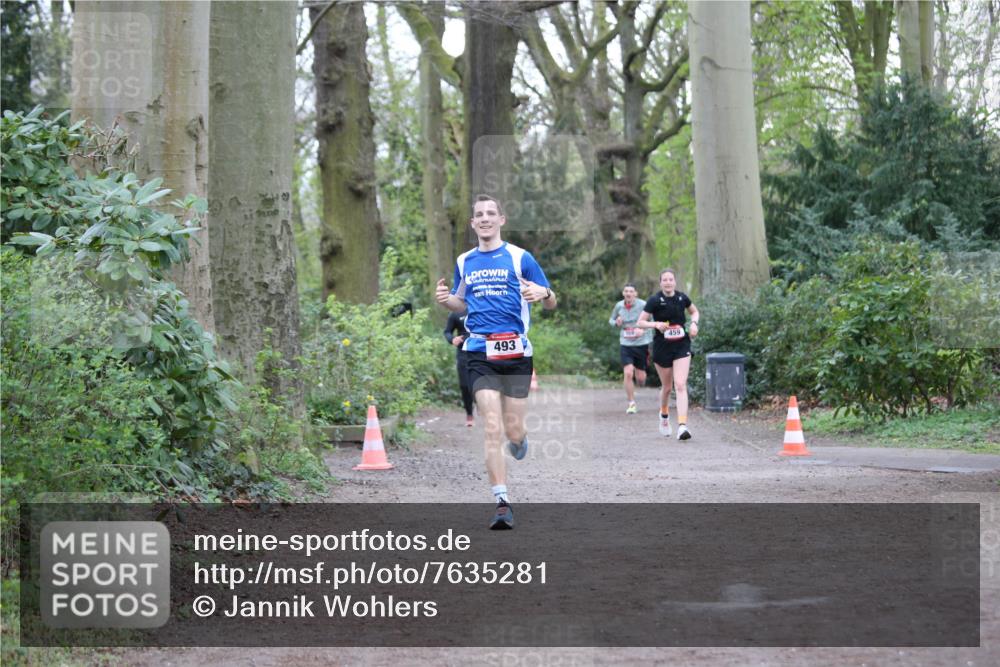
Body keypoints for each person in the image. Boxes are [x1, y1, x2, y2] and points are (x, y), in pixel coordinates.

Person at [435, 194, 556, 530]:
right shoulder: (464, 261)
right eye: (479, 214)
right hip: (479, 352)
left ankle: (519, 440)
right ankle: (502, 502)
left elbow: (551, 300)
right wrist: (447, 301)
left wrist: (543, 294)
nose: (485, 218)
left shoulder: (520, 257)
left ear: (501, 219)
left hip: (516, 353)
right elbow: (462, 303)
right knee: (491, 425)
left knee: (513, 430)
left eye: (491, 213)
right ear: (473, 223)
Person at [636, 269, 700, 440]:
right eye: (664, 280)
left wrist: (694, 324)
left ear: (675, 282)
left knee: (680, 384)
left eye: (671, 279)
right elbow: (640, 322)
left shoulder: (682, 298)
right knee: (667, 388)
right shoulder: (654, 300)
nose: (668, 282)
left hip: (682, 345)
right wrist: (656, 324)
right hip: (662, 347)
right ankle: (664, 415)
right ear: (660, 283)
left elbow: (694, 312)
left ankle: (682, 426)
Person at [609, 283, 653, 414]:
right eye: (626, 291)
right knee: (628, 373)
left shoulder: (643, 305)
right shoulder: (619, 306)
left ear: (635, 294)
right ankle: (631, 403)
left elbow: (653, 322)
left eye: (631, 291)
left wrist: (642, 330)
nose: (628, 293)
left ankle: (640, 382)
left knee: (640, 378)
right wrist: (616, 323)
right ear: (623, 293)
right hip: (625, 343)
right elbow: (611, 320)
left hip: (641, 343)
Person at [443, 308, 475, 427]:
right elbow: (447, 332)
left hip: (482, 352)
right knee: (465, 385)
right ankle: (469, 414)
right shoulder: (456, 313)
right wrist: (452, 339)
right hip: (463, 354)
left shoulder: (481, 306)